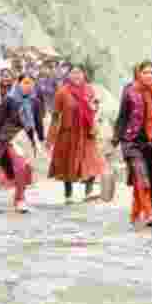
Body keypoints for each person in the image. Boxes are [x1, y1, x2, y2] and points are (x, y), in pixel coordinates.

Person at [114, 61, 152, 230]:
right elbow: (122, 117)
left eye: (151, 72)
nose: (149, 75)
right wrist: (116, 139)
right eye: (145, 72)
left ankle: (135, 214)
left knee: (146, 179)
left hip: (150, 143)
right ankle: (148, 213)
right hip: (131, 142)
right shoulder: (129, 92)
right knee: (141, 178)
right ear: (138, 74)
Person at [47, 64, 107, 205]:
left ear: (84, 75)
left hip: (87, 133)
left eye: (79, 72)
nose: (76, 75)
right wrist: (51, 136)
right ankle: (68, 195)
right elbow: (55, 115)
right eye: (73, 72)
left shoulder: (89, 90)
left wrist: (94, 109)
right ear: (68, 75)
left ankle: (89, 192)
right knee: (67, 163)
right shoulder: (62, 92)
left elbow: (96, 108)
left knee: (91, 161)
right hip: (68, 133)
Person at [0, 76, 44, 213]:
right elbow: (0, 119)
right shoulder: (9, 100)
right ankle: (20, 200)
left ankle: (19, 195)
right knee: (19, 166)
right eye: (25, 83)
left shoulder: (35, 101)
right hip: (11, 138)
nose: (28, 86)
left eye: (31, 83)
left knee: (26, 169)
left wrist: (41, 138)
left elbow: (38, 122)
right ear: (18, 84)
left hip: (27, 139)